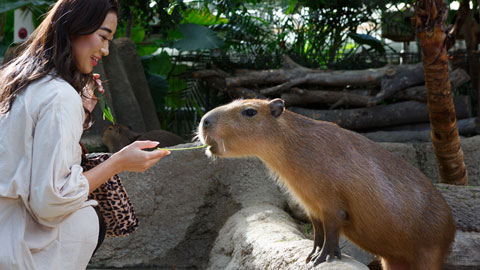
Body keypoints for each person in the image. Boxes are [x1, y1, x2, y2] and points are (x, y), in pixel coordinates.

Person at [0, 0, 170, 269]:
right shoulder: (59, 95)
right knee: (90, 216)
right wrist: (117, 163)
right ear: (74, 27)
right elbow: (51, 202)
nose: (105, 50)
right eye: (103, 36)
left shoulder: (16, 78)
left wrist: (79, 109)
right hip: (16, 247)